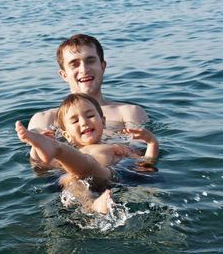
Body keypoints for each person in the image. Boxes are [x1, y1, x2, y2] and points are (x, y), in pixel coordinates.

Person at [16, 93, 159, 214]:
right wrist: (36, 151)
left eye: (90, 115)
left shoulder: (115, 147)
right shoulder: (72, 156)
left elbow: (143, 164)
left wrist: (152, 143)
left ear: (103, 122)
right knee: (70, 178)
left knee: (87, 163)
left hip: (107, 176)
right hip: (73, 180)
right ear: (67, 135)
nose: (84, 122)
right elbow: (42, 168)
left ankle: (52, 147)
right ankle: (93, 205)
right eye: (75, 120)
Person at [27, 34, 149, 163]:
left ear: (103, 66)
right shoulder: (44, 119)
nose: (84, 69)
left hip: (121, 174)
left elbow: (140, 159)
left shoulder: (129, 112)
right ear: (63, 74)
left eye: (90, 60)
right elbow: (39, 165)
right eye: (74, 64)